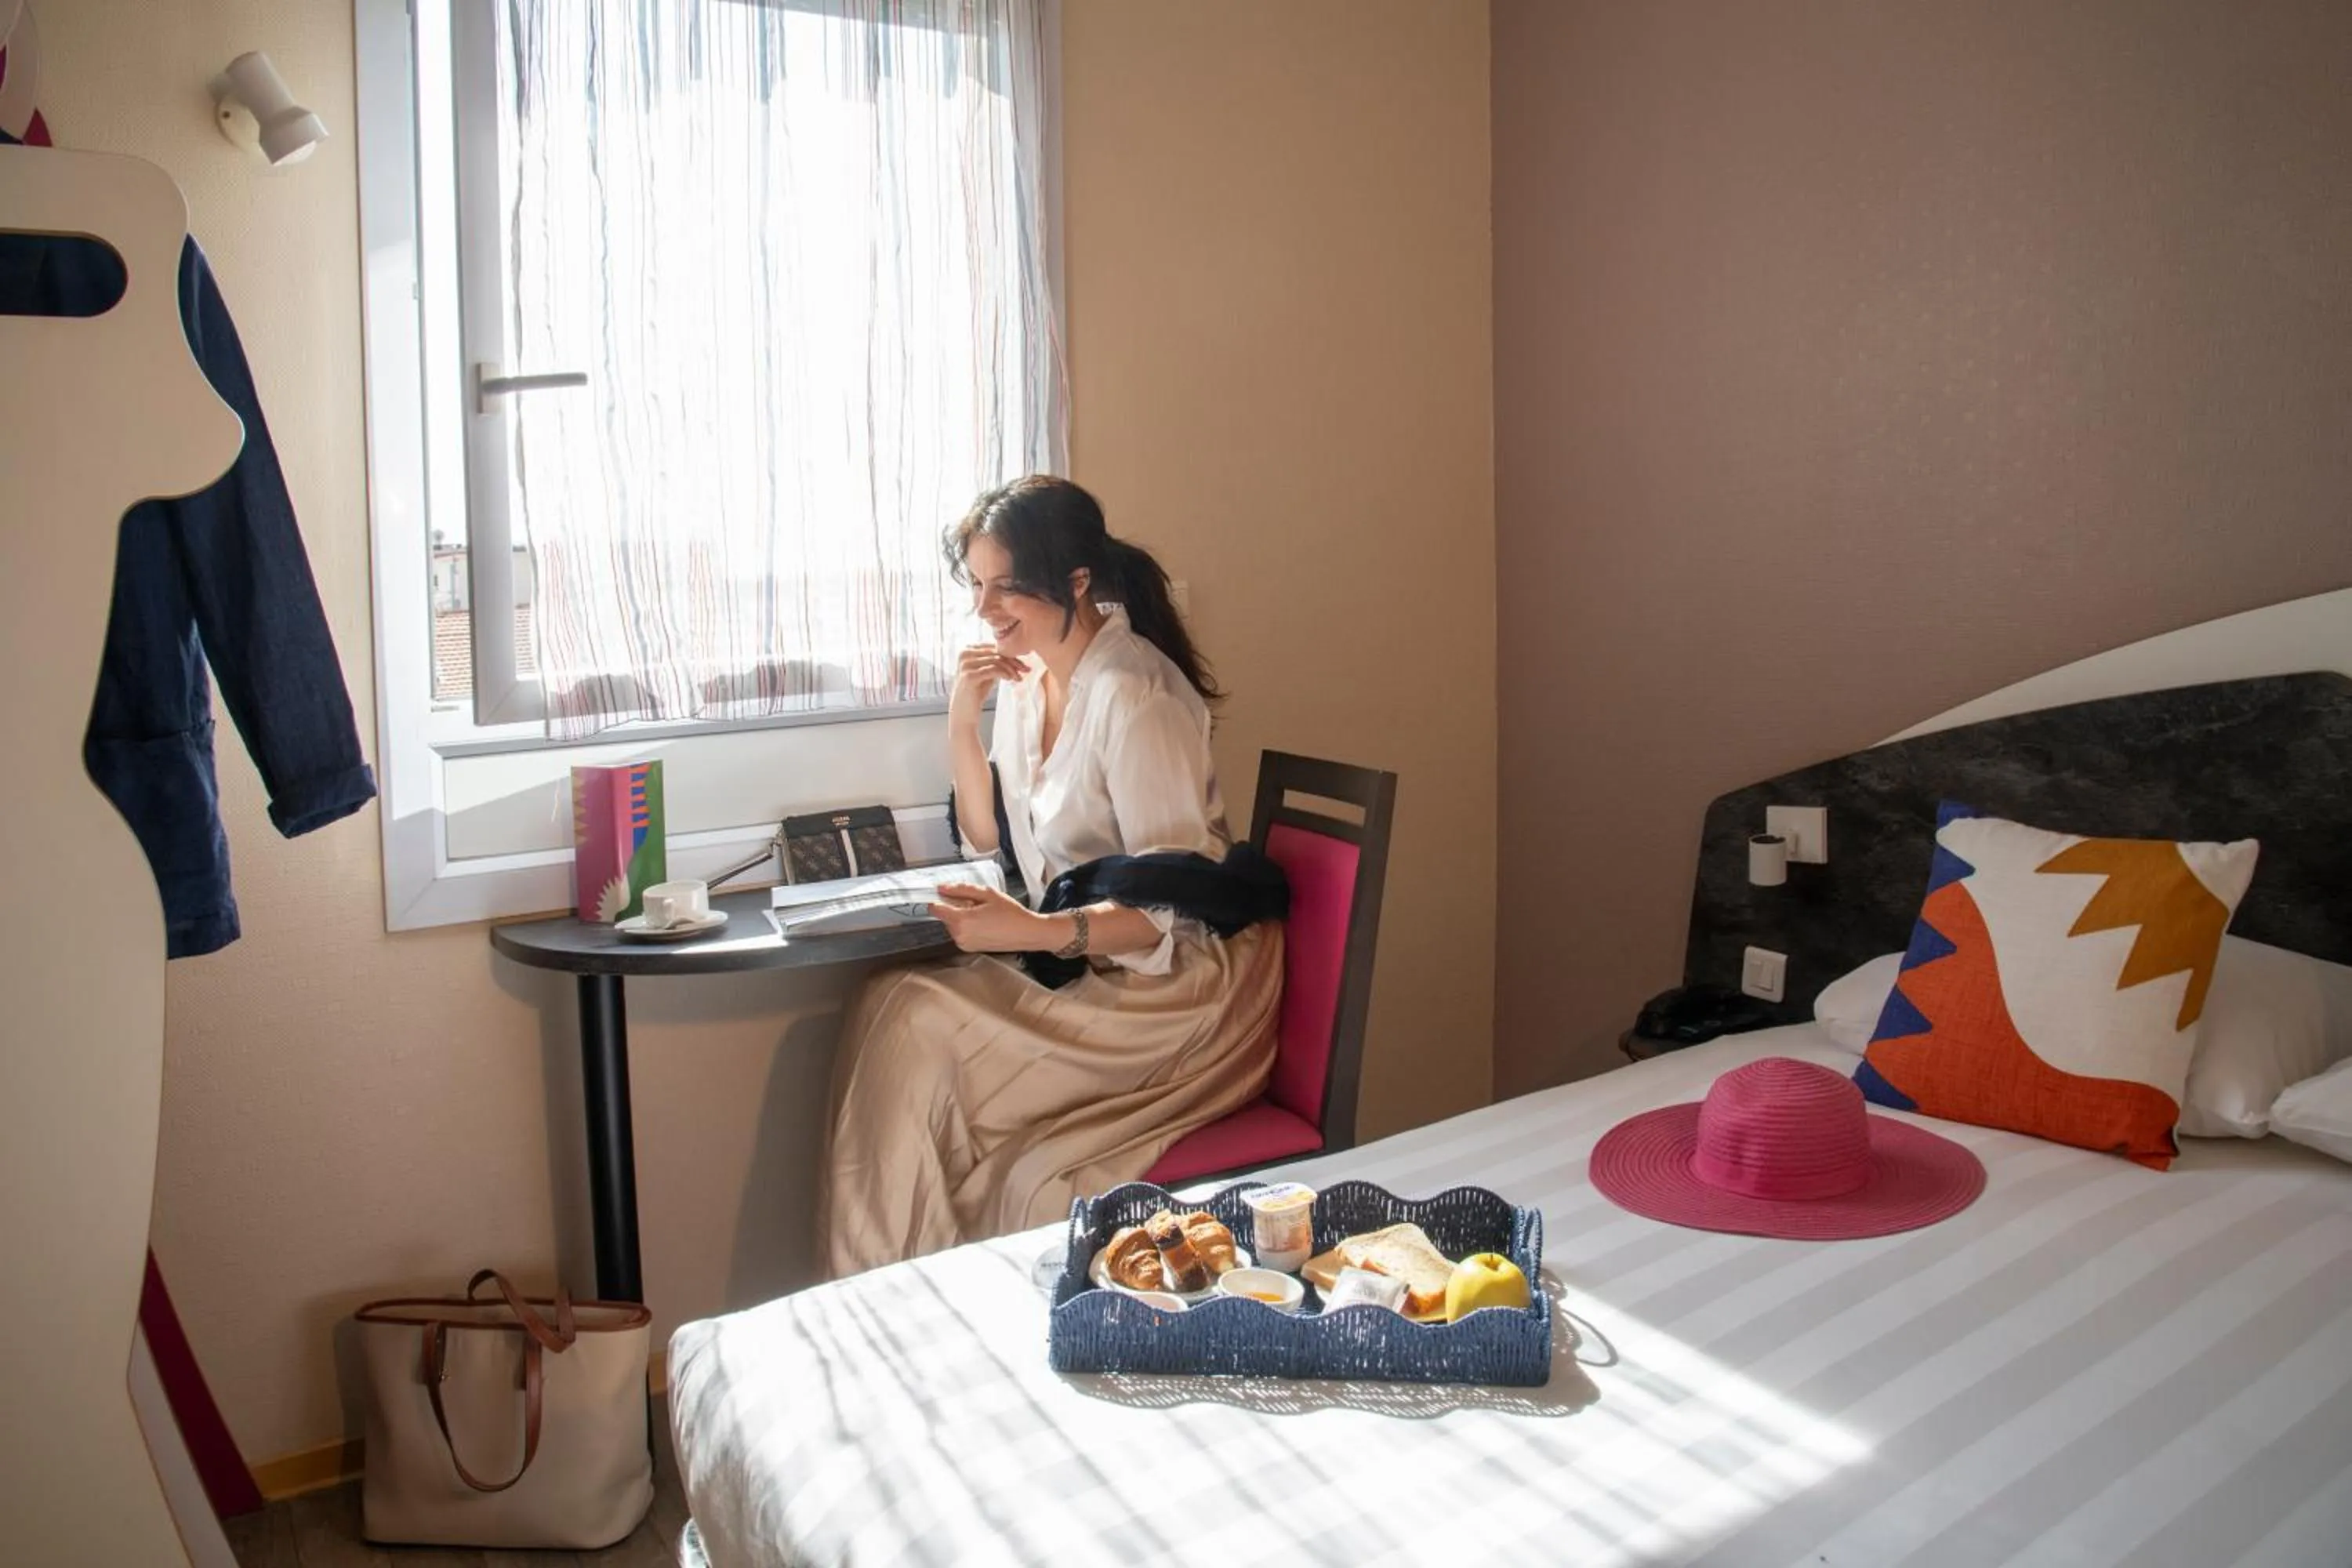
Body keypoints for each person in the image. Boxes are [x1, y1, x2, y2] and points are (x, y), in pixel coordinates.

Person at [817, 475, 1287, 1277]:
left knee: (917, 1024)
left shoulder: (1138, 696)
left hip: (1178, 989)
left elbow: (1161, 912)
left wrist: (1033, 930)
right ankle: (897, 1290)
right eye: (976, 585)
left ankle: (895, 1288)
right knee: (889, 1000)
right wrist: (962, 720)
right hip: (1093, 961)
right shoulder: (1030, 683)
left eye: (1006, 585)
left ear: (1075, 581)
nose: (986, 608)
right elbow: (985, 834)